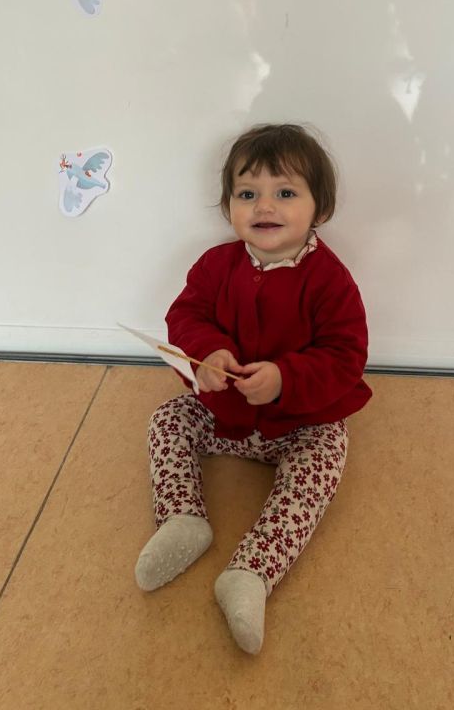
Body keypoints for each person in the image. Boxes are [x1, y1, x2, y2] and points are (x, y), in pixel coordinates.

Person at [135, 123, 371, 654]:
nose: (265, 206)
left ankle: (251, 572)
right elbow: (186, 316)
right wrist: (208, 356)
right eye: (248, 194)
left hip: (301, 422)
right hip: (226, 413)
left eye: (285, 193)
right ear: (228, 207)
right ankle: (183, 518)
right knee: (168, 418)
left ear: (319, 208)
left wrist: (287, 378)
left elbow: (346, 356)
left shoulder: (330, 280)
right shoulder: (216, 266)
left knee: (325, 457)